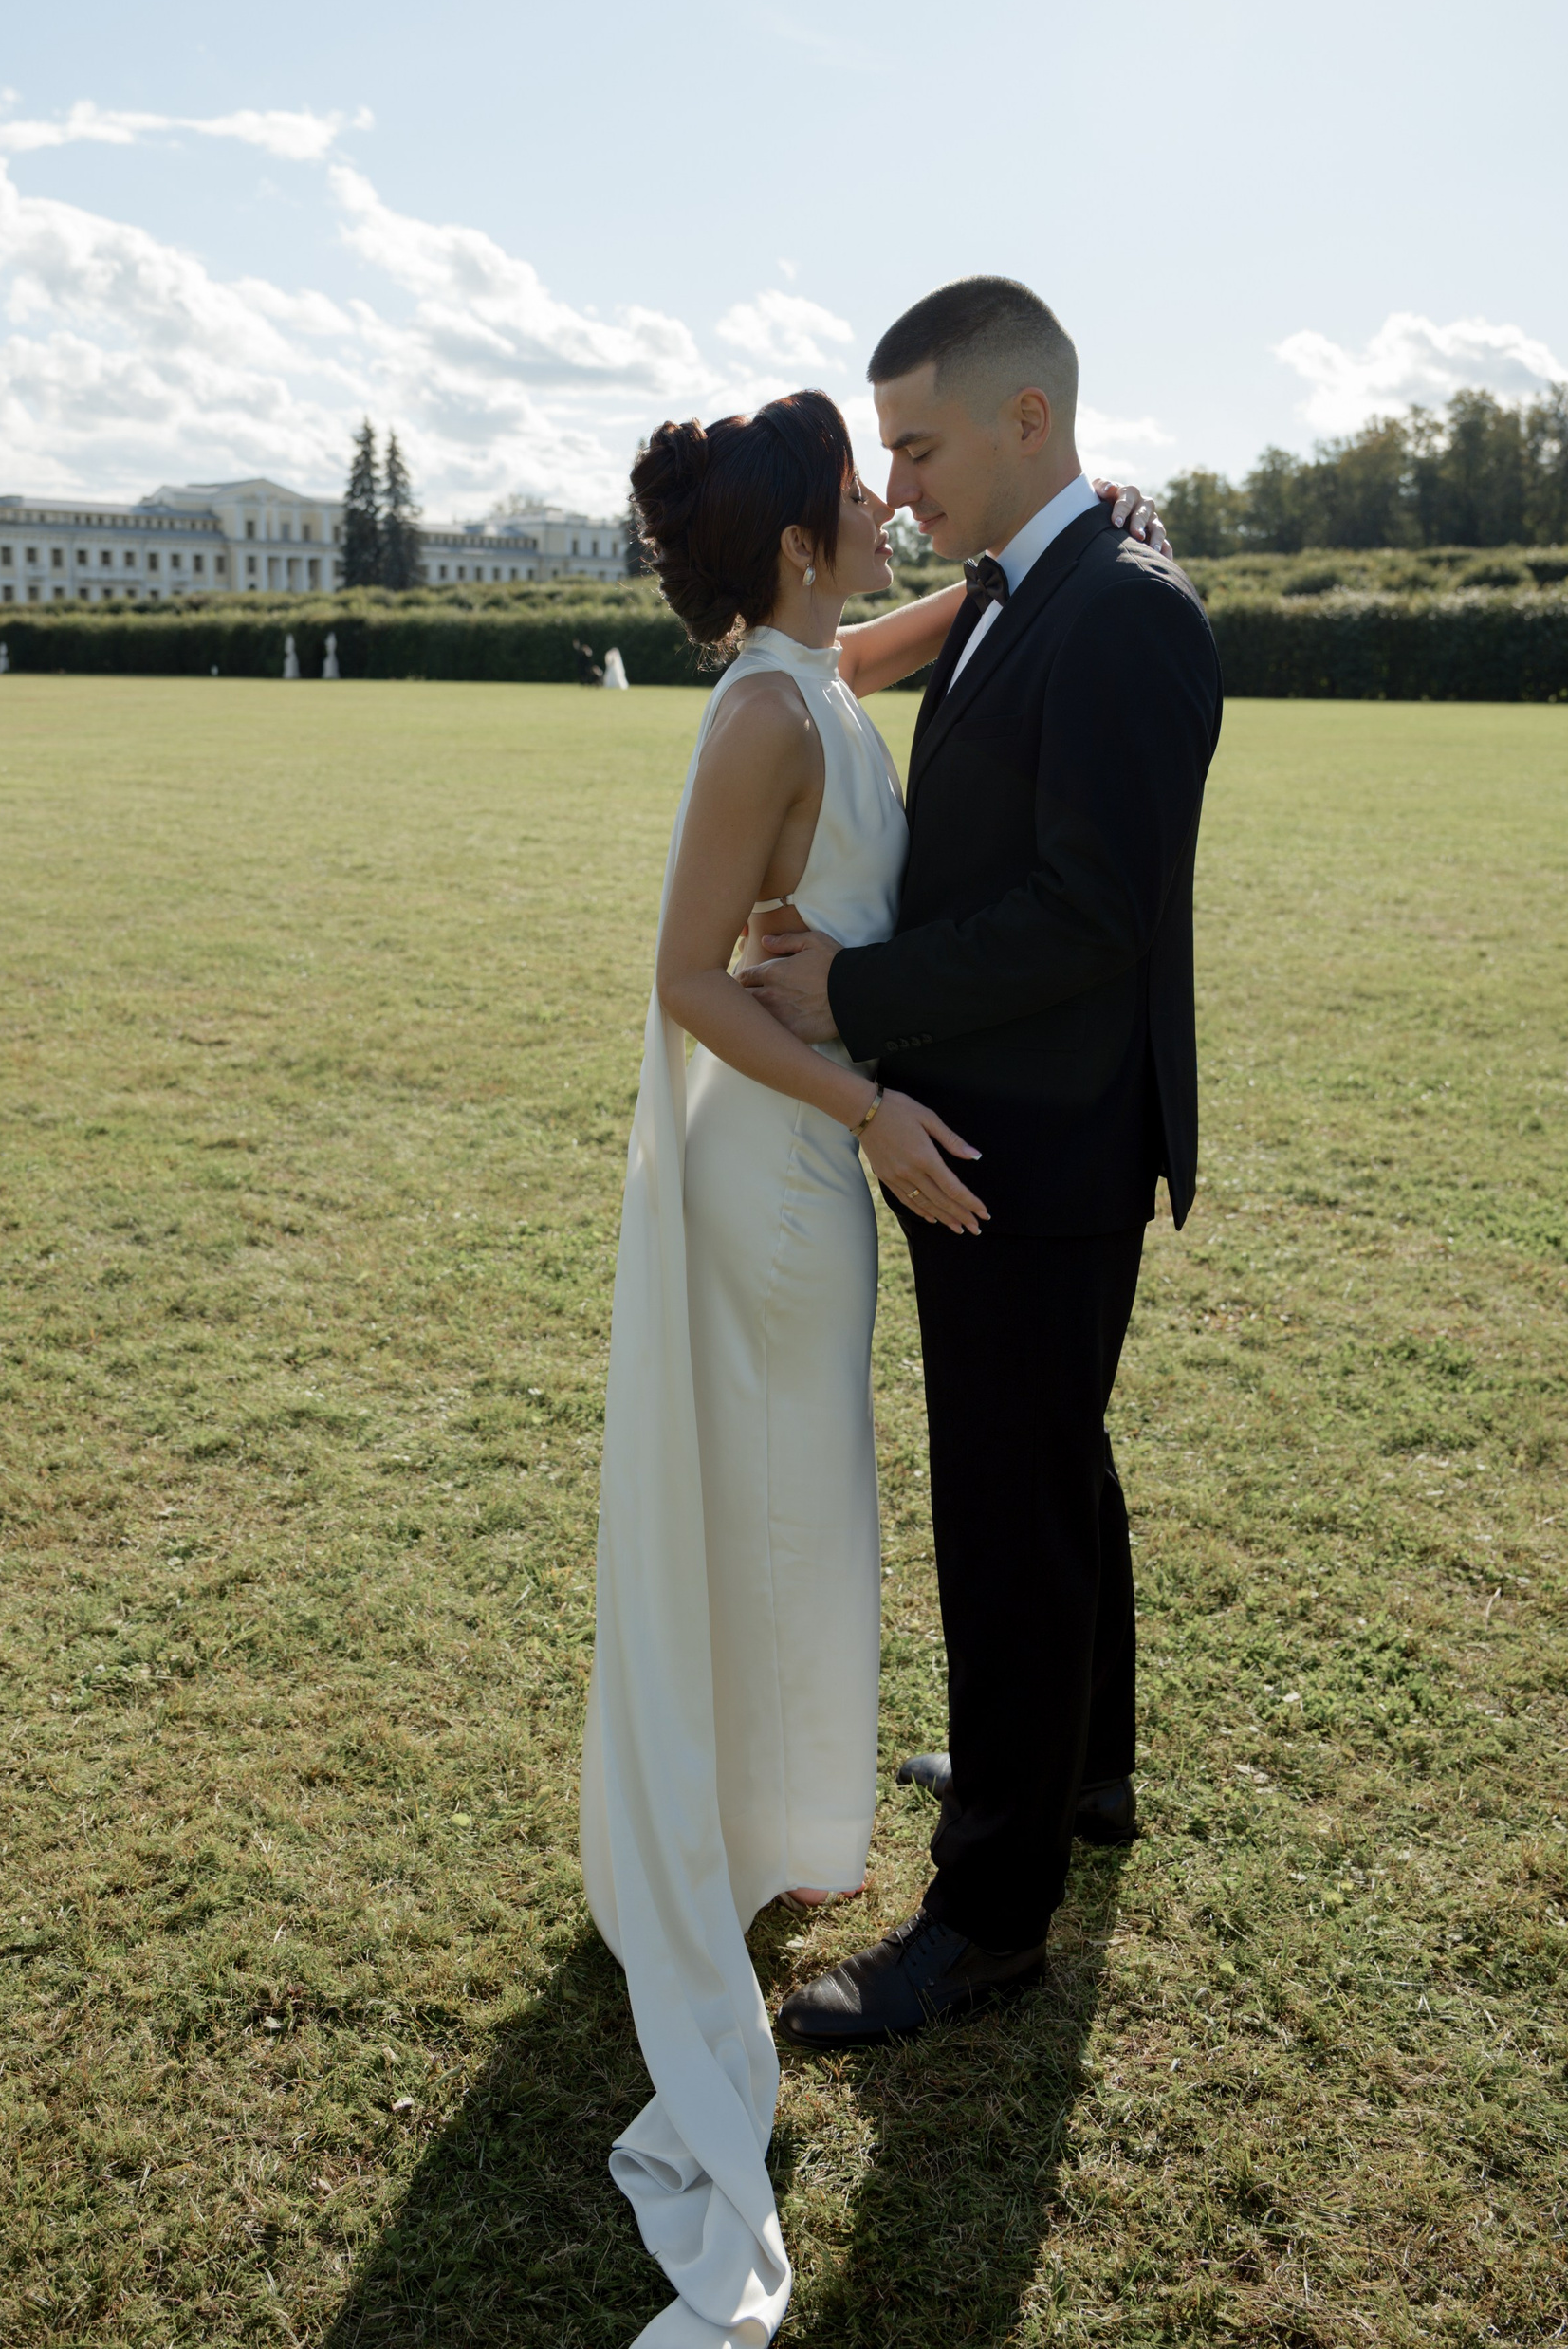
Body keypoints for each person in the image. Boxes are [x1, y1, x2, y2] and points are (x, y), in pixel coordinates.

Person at [581, 381, 1168, 2348]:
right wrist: (868, 1108)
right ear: (796, 544)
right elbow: (686, 979)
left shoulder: (815, 666)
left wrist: (1031, 562)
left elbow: (903, 639)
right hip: (787, 1167)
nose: (886, 498)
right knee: (786, 1503)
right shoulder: (765, 711)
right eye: (860, 482)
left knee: (799, 1501)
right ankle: (749, 1833)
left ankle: (768, 1822)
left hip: (815, 1161)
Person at [741, 280, 1222, 2057]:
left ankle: (988, 1918)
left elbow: (1093, 913)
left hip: (1037, 1140)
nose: (899, 484)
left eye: (919, 445)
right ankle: (1079, 1768)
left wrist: (851, 996)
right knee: (1051, 1465)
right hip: (1002, 1124)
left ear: (1029, 422)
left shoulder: (1126, 615)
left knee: (1008, 1509)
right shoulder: (1044, 580)